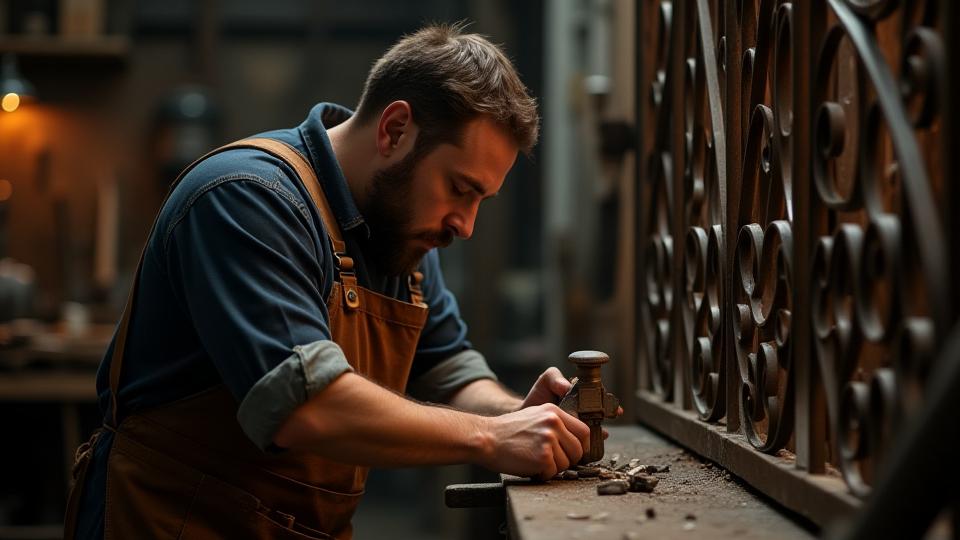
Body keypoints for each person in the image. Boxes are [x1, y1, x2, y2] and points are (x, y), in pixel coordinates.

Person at [65, 23, 600, 539]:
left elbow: (448, 367)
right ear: (394, 130)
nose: (465, 224)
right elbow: (305, 406)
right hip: (172, 525)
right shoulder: (247, 199)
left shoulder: (400, 233)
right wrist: (491, 437)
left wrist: (520, 416)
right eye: (460, 188)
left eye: (481, 199)